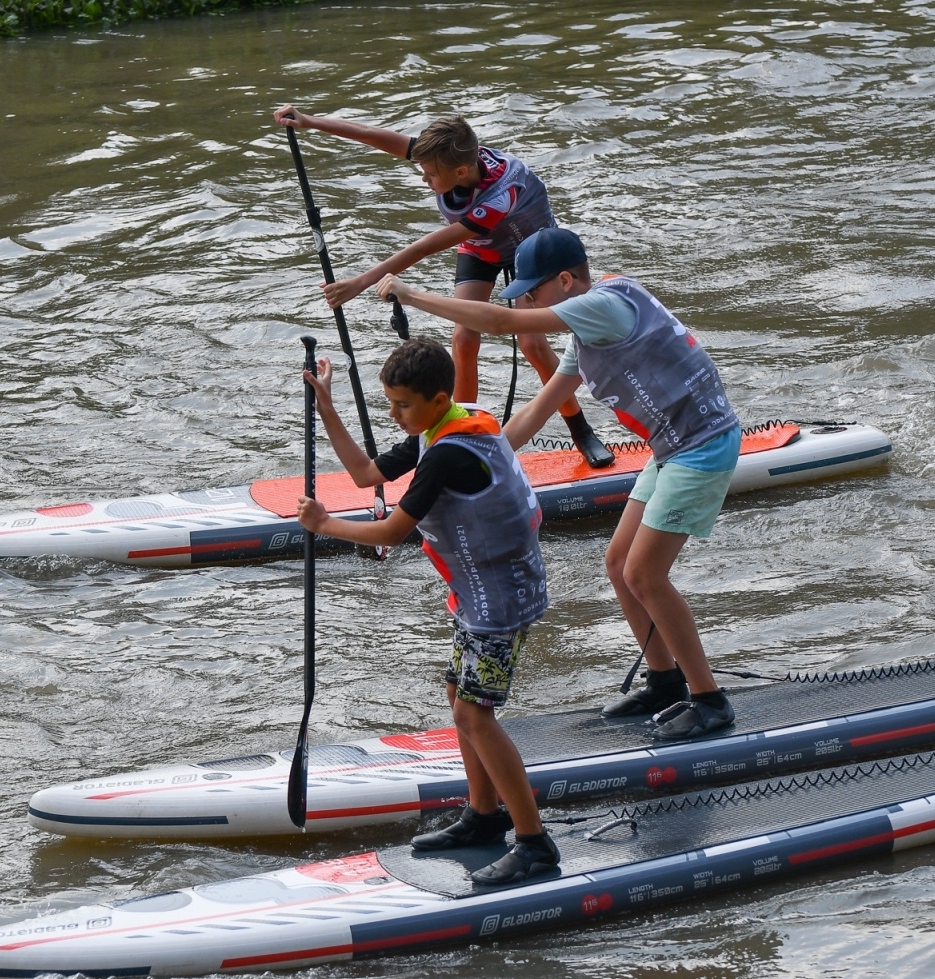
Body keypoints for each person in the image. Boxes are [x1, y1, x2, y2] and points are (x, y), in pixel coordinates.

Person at [373, 228, 740, 740]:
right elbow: (532, 415)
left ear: (567, 281)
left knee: (645, 573)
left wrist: (411, 294)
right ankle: (664, 681)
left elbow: (499, 321)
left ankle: (709, 699)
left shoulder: (601, 305)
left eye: (533, 292)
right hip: (672, 449)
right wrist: (473, 450)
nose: (527, 302)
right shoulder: (588, 334)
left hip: (703, 446)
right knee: (618, 565)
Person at [296, 337, 560, 884]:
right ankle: (482, 817)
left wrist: (325, 525)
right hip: (478, 596)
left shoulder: (446, 453)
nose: (394, 415)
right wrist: (327, 408)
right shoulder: (444, 427)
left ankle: (534, 842)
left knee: (474, 715)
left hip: (500, 603)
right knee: (457, 699)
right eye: (390, 403)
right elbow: (368, 475)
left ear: (439, 399)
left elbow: (393, 530)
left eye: (403, 405)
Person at [274, 104, 613, 468]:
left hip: (528, 251)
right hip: (482, 249)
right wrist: (311, 122)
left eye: (430, 174)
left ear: (462, 171)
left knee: (532, 344)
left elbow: (426, 246)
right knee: (464, 340)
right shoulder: (449, 155)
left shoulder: (499, 195)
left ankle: (580, 430)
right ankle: (459, 436)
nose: (424, 179)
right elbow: (375, 135)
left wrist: (360, 282)